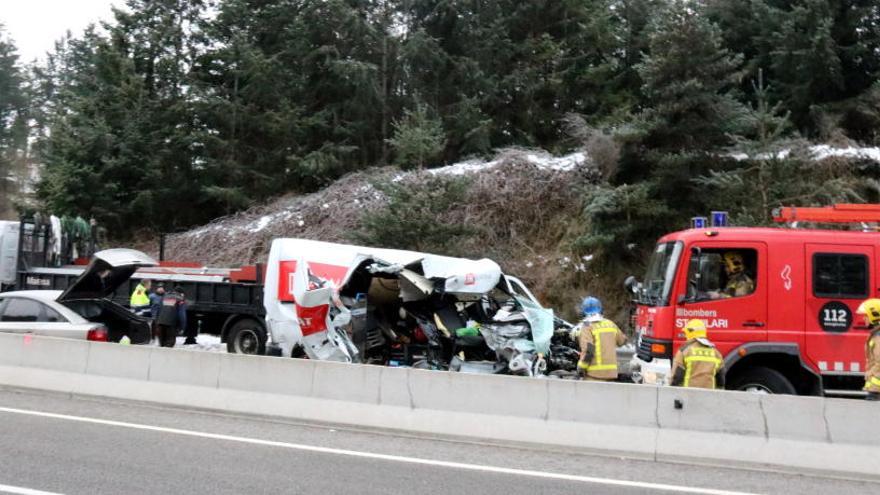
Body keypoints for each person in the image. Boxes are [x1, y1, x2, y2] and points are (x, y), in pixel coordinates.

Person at [574, 296, 627, 381]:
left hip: (594, 375)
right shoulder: (610, 324)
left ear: (583, 312)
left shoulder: (587, 326)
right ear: (600, 310)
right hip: (611, 374)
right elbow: (622, 341)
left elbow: (589, 350)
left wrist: (581, 367)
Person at [670, 319, 725, 389]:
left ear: (690, 332)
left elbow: (676, 377)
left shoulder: (684, 351)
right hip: (709, 396)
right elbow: (721, 380)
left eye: (686, 333)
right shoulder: (716, 353)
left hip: (688, 396)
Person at [856, 298, 880, 401]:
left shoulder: (878, 337)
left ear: (874, 316)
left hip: (876, 391)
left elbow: (879, 361)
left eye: (866, 316)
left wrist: (870, 373)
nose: (864, 319)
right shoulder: (875, 335)